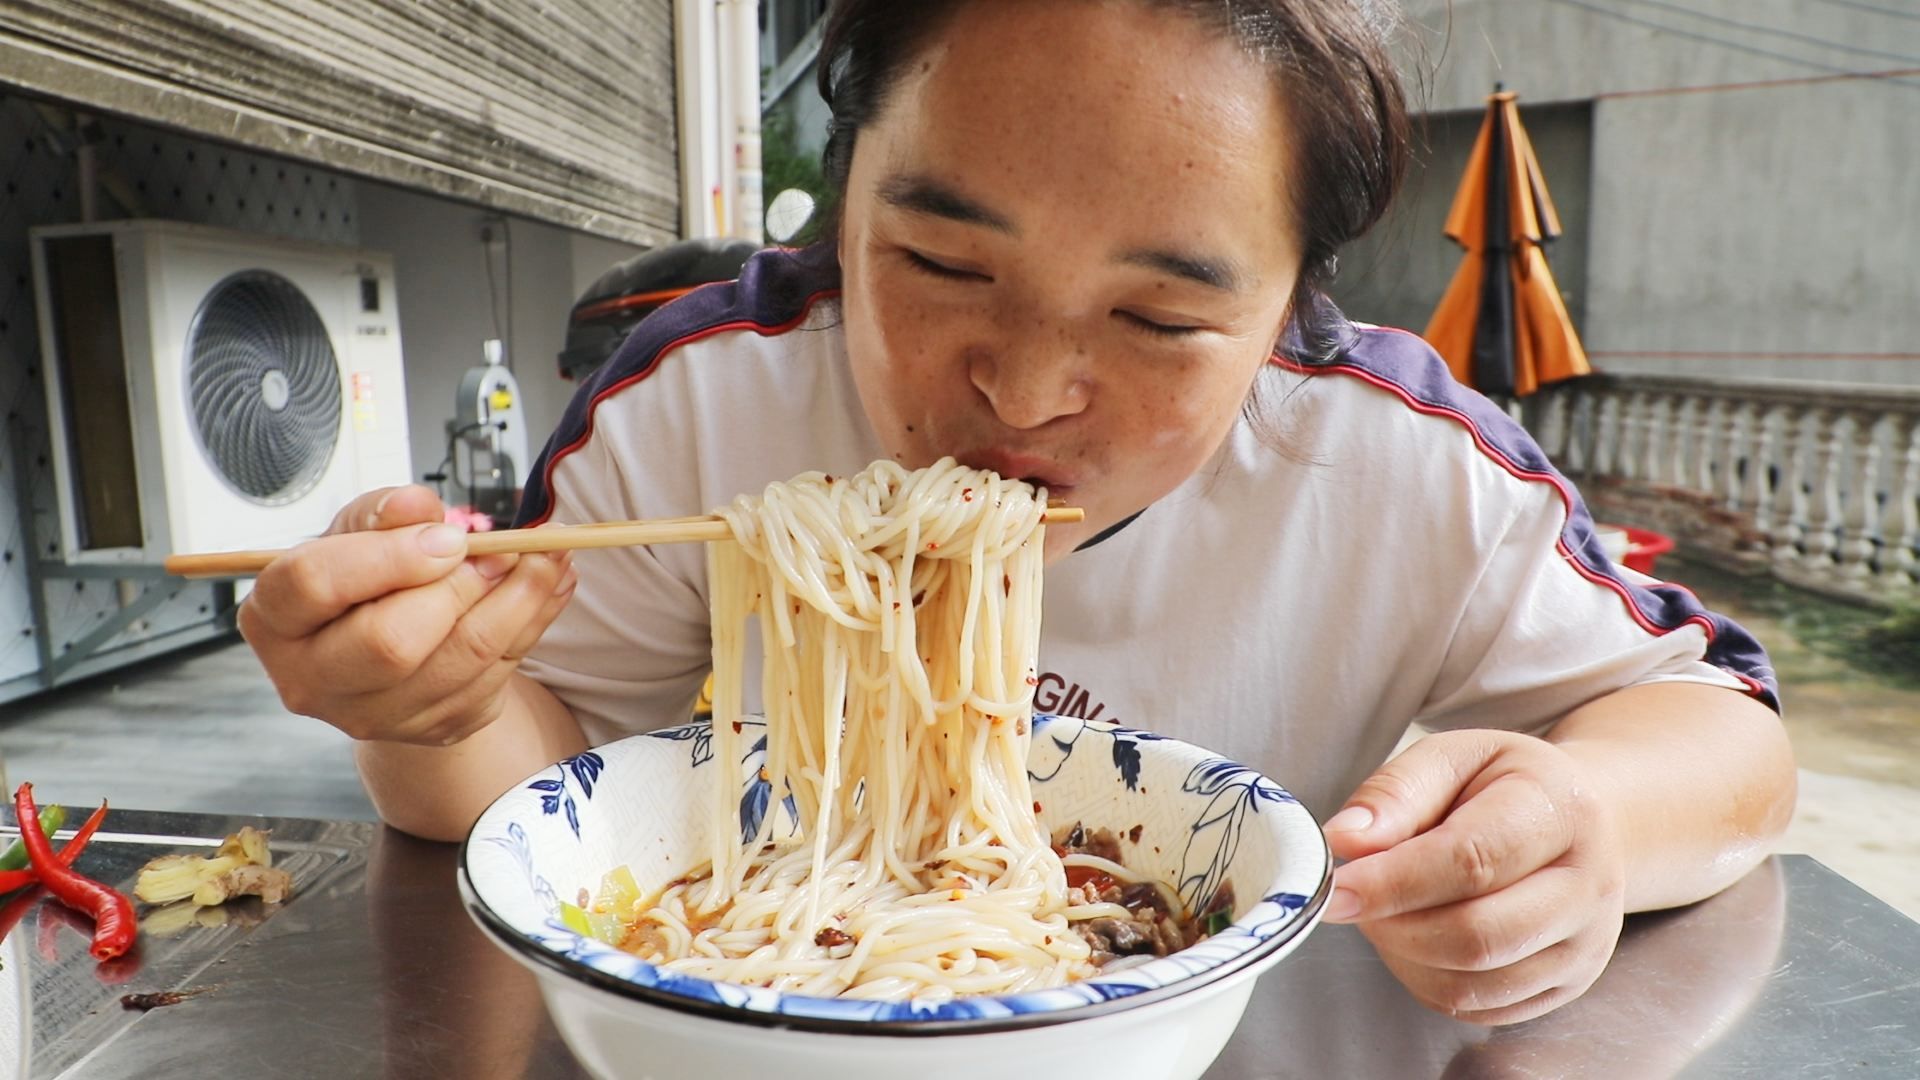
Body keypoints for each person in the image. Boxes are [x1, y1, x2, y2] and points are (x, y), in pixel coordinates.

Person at [239, 0, 1795, 1026]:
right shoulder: (704, 408)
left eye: (1166, 319)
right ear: (841, 199)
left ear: (1288, 312)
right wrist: (425, 707)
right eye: (945, 266)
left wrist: (1581, 826)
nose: (1033, 388)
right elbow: (554, 789)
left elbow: (1727, 737)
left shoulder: (1400, 468)